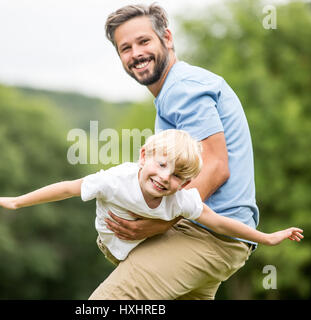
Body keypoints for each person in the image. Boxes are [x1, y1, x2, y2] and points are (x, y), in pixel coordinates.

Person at [86, 3, 265, 299]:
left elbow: (217, 166)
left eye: (144, 41)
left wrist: (160, 223)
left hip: (205, 235)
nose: (136, 54)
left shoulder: (181, 89)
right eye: (125, 48)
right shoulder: (177, 89)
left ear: (167, 38)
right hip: (218, 238)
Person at [0, 130, 303, 267]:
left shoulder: (181, 199)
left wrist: (266, 237)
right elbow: (67, 187)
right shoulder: (115, 180)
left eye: (177, 175)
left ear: (187, 182)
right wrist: (17, 201)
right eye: (161, 165)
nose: (165, 177)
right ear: (143, 156)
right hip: (112, 247)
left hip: (148, 248)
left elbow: (218, 221)